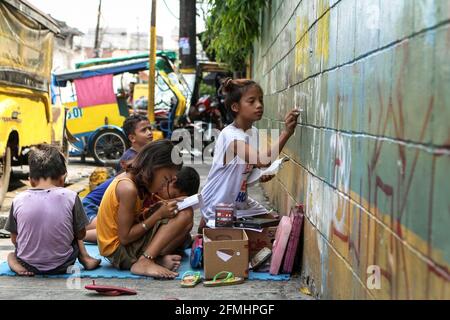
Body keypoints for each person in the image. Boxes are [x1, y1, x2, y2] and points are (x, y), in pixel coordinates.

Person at [200, 78, 300, 229]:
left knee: (273, 226)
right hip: (219, 204)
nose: (259, 105)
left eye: (260, 100)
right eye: (251, 101)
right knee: (227, 244)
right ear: (235, 107)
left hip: (239, 201)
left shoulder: (252, 133)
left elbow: (249, 167)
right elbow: (263, 160)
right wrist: (286, 133)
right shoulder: (231, 136)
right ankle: (206, 228)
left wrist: (260, 173)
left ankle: (206, 229)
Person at [96, 140, 194, 279]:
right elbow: (125, 238)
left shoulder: (140, 183)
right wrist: (157, 215)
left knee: (183, 215)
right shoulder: (127, 188)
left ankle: (154, 259)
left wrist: (167, 204)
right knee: (184, 214)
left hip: (127, 246)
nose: (164, 185)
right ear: (153, 167)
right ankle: (145, 261)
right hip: (118, 251)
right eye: (165, 179)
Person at [5, 144, 101, 276]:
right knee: (75, 228)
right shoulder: (71, 197)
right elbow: (81, 235)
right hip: (63, 264)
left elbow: (14, 240)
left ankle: (15, 264)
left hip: (28, 264)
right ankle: (86, 258)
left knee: (11, 255)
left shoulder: (18, 200)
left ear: (31, 181)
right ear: (62, 179)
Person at [82, 114, 153, 243]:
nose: (149, 133)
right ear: (132, 138)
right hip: (91, 207)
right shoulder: (130, 160)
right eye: (144, 130)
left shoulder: (142, 157)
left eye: (150, 128)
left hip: (102, 209)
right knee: (118, 230)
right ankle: (76, 236)